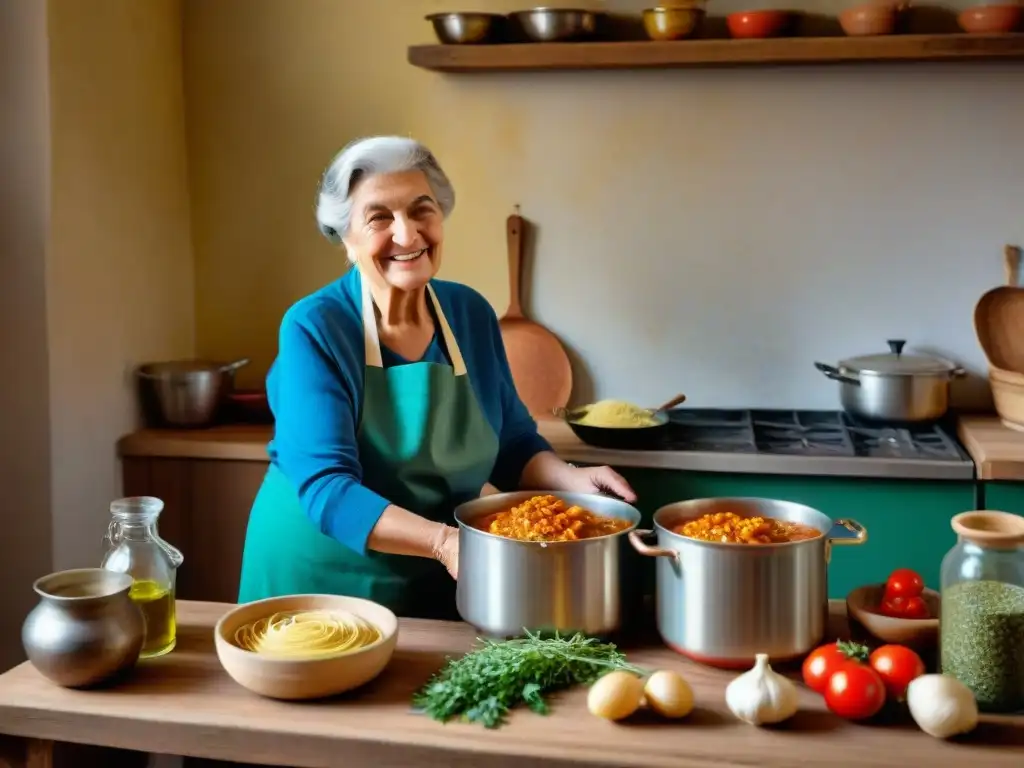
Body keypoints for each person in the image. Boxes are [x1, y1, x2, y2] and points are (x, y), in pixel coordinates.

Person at [237, 136, 637, 620]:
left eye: (421, 210)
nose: (407, 235)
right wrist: (446, 542)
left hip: (436, 570)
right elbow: (328, 488)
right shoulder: (316, 326)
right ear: (347, 238)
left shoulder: (469, 312)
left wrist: (570, 480)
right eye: (379, 217)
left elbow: (512, 443)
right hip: (319, 582)